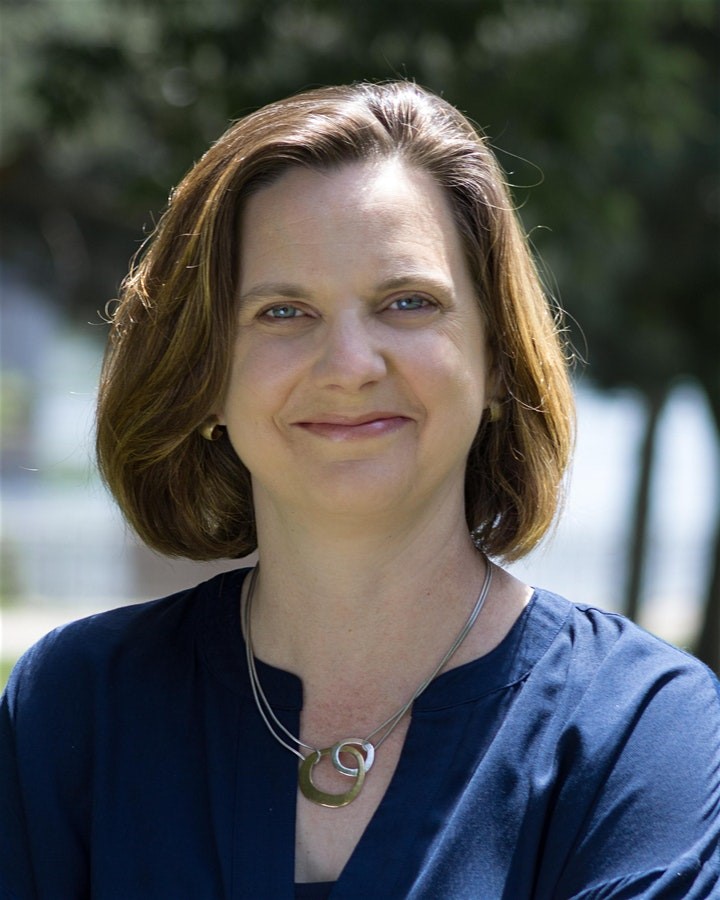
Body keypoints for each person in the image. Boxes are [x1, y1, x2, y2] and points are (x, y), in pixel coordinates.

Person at [1, 81, 719, 900]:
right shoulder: (74, 711)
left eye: (407, 303)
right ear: (202, 379)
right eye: (282, 312)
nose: (349, 364)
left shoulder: (643, 730)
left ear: (496, 363)